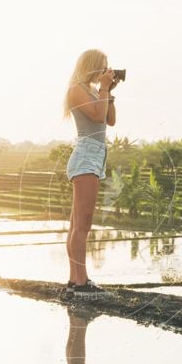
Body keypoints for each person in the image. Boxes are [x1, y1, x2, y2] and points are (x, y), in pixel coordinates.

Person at [61, 49, 119, 298]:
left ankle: (76, 280)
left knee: (77, 224)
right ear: (93, 66)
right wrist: (104, 88)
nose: (105, 70)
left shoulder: (95, 91)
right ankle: (81, 282)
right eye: (103, 66)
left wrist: (109, 91)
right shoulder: (77, 89)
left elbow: (110, 120)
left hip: (94, 158)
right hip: (86, 157)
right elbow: (96, 115)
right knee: (82, 225)